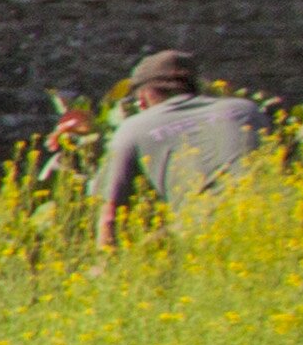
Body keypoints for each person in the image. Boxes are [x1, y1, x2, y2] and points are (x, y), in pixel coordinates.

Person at [91, 50, 262, 250]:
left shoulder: (133, 128)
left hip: (203, 236)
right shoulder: (245, 110)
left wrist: (105, 269)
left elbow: (110, 217)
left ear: (144, 96)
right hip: (270, 221)